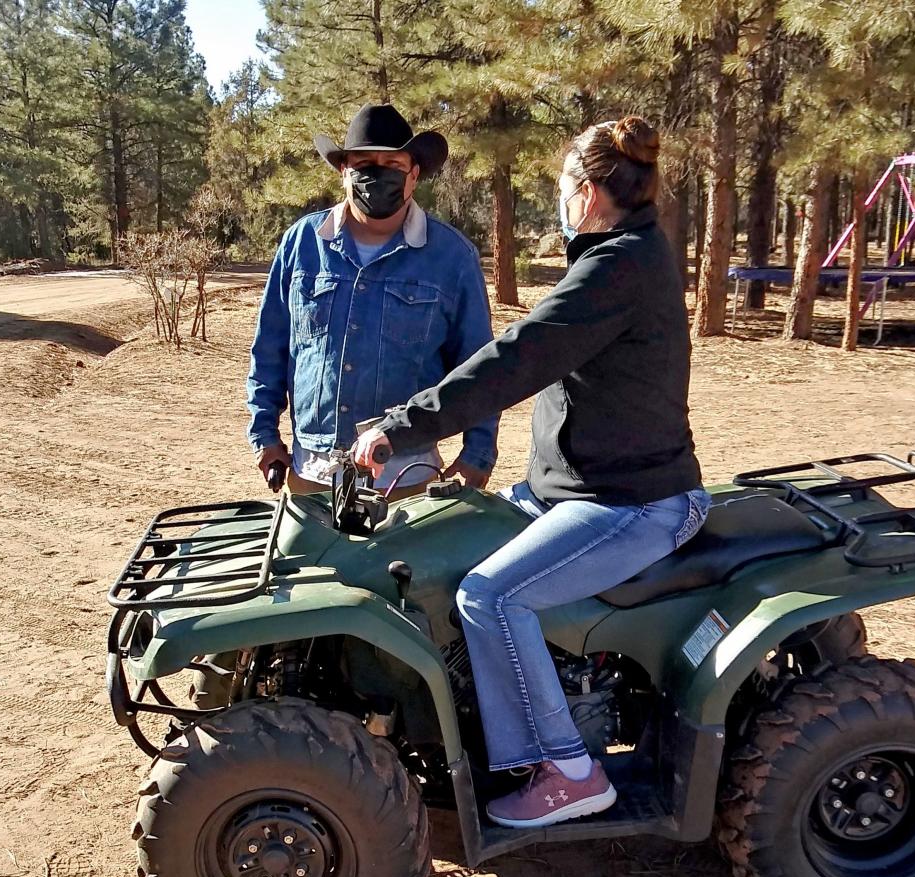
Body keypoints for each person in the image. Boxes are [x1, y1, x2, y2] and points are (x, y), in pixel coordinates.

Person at [353, 116, 709, 828]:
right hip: (573, 489)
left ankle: (568, 769)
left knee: (490, 596)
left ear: (586, 194)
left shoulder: (620, 267)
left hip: (632, 503)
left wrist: (400, 427)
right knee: (446, 542)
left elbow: (514, 360)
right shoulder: (620, 254)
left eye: (561, 185)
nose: (558, 197)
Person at [246, 103, 498, 497]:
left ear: (414, 175)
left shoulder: (452, 257)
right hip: (311, 470)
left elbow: (480, 366)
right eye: (364, 162)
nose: (377, 174)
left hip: (407, 477)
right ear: (343, 171)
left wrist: (477, 450)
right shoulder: (301, 244)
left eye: (392, 164)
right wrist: (265, 435)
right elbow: (270, 349)